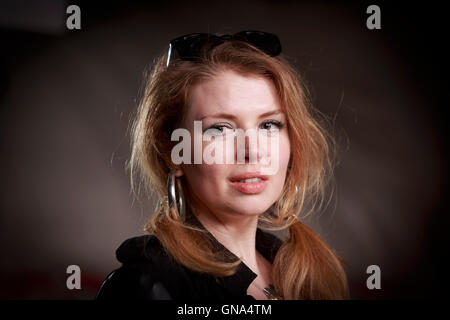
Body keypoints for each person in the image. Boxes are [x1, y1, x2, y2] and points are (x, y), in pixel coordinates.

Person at [96, 30, 349, 300]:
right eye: (219, 129)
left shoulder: (312, 277)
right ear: (173, 151)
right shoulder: (143, 286)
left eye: (269, 125)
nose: (252, 152)